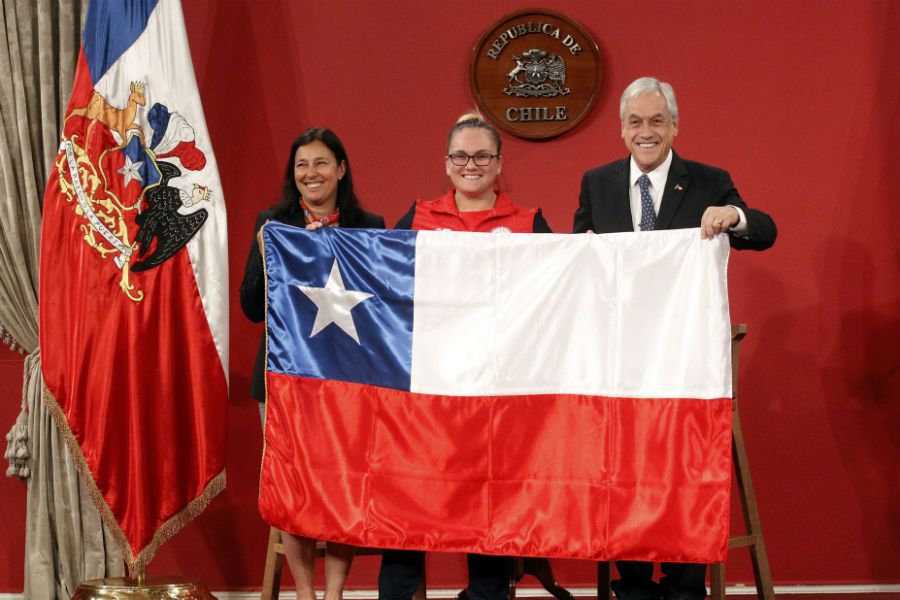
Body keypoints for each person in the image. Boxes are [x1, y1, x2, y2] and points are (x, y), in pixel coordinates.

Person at [573, 77, 777, 600]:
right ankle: (633, 584)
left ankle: (686, 586)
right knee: (621, 469)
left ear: (674, 126)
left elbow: (765, 230)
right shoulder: (597, 183)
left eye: (656, 121)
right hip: (619, 361)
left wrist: (733, 217)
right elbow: (576, 260)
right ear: (622, 130)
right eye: (636, 122)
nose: (646, 131)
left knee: (685, 467)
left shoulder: (708, 181)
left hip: (685, 359)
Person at [378, 113, 550, 600]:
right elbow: (382, 284)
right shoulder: (416, 218)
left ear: (499, 163)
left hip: (497, 398)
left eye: (481, 156)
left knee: (488, 511)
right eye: (460, 155)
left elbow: (560, 291)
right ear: (446, 162)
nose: (470, 164)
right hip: (427, 398)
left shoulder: (530, 223)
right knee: (410, 512)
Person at [240, 127, 385, 600]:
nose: (311, 174)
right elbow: (249, 306)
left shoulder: (371, 226)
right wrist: (265, 261)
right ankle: (305, 593)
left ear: (341, 169)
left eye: (321, 163)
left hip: (349, 382)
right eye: (302, 165)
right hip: (283, 383)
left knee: (341, 484)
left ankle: (336, 593)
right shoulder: (272, 224)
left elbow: (386, 307)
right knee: (291, 486)